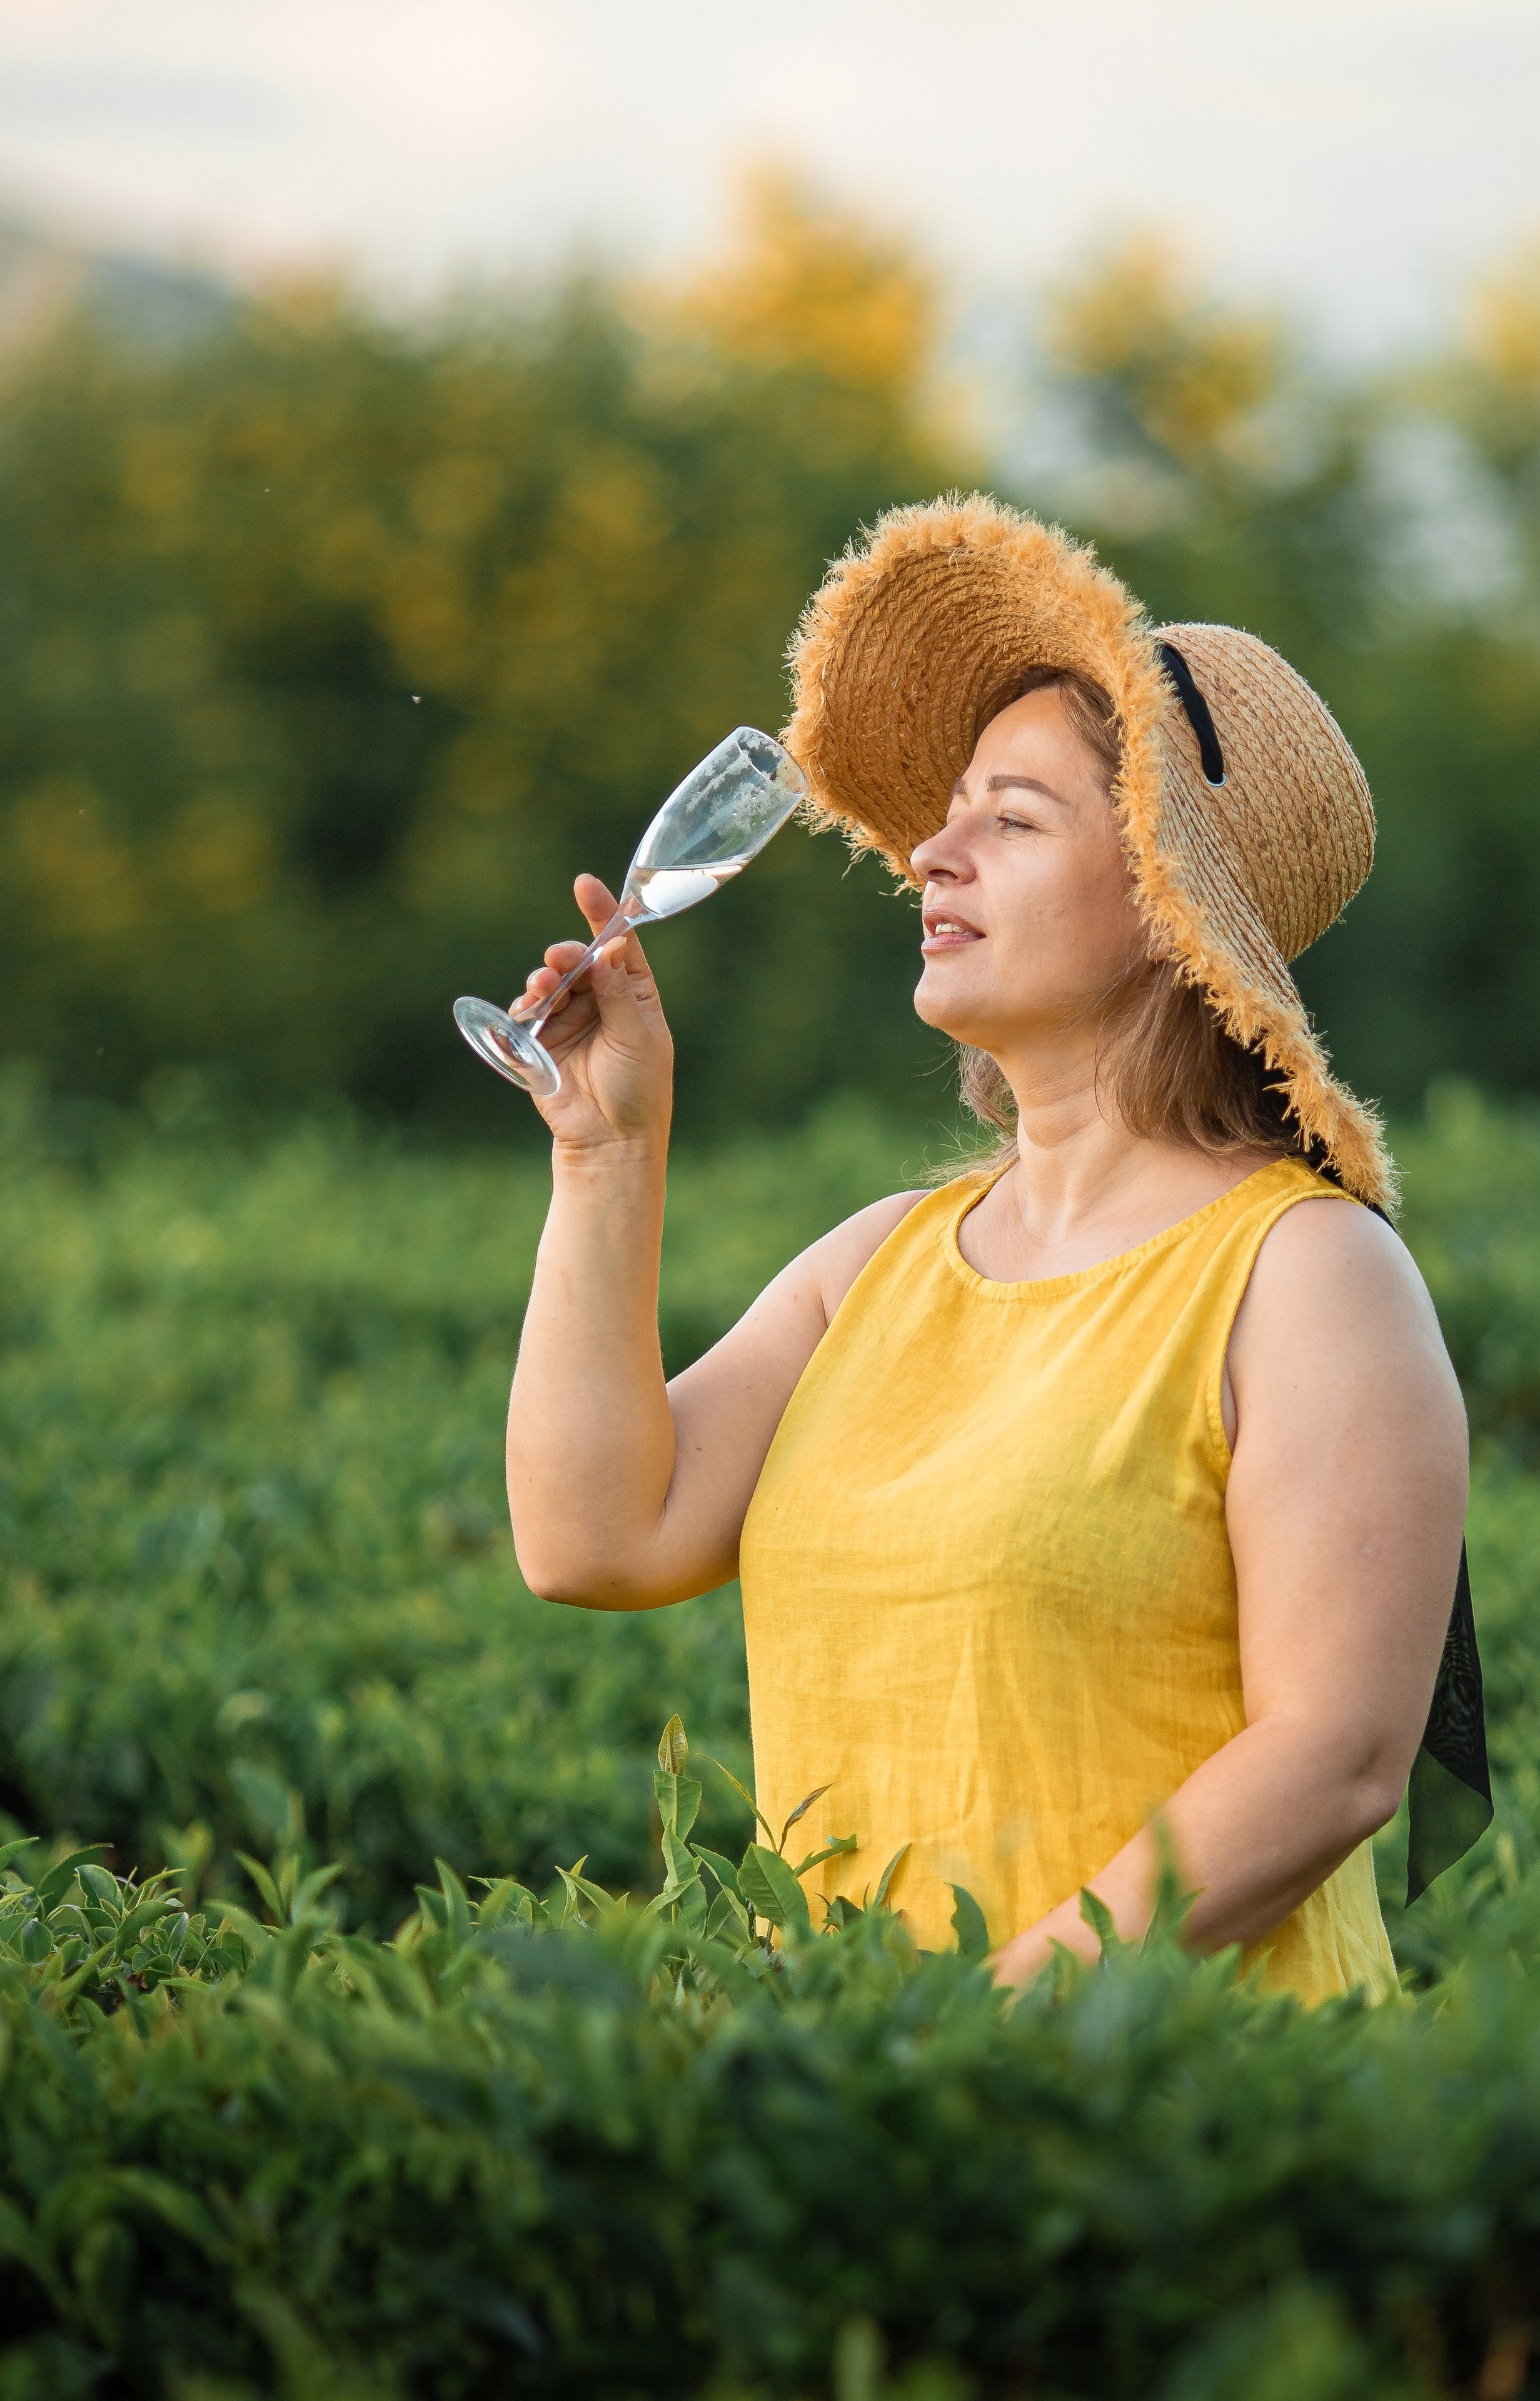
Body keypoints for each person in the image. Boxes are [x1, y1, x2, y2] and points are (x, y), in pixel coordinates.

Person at [503, 493, 1479, 2004]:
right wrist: (605, 1155)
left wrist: (977, 2027)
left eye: (1008, 820)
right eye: (947, 811)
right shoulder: (875, 1263)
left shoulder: (1307, 1277)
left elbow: (1335, 1756)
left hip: (1168, 2125)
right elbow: (590, 1539)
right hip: (861, 2118)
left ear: (1169, 911)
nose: (925, 853)